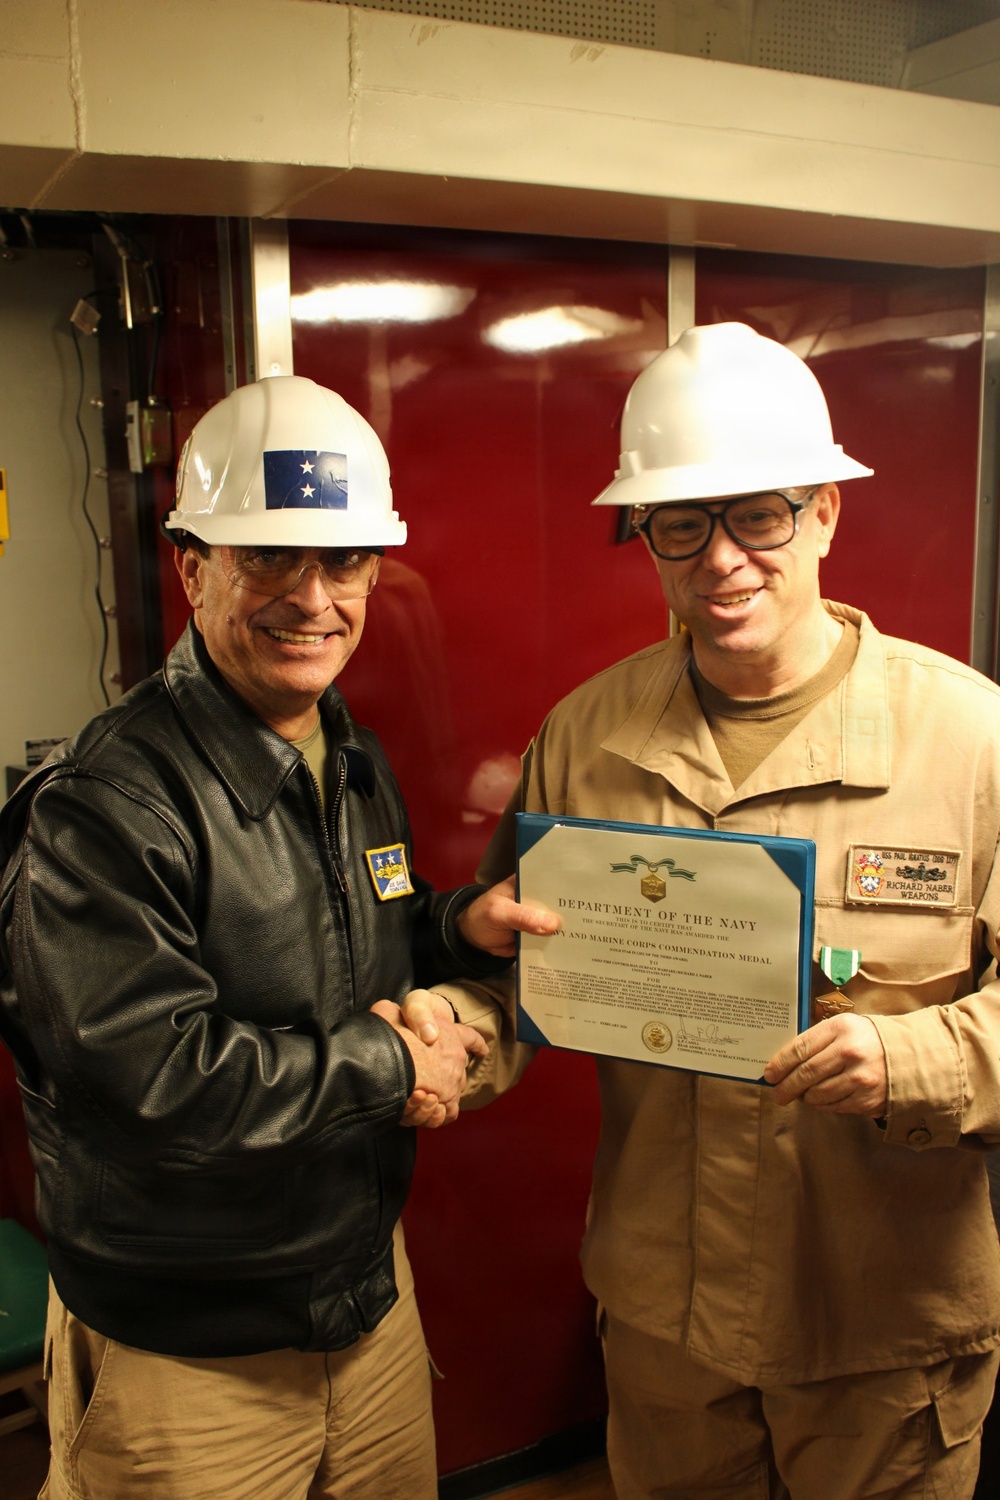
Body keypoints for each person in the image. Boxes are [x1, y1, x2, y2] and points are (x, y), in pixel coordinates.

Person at [406, 322, 1000, 1499]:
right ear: (646, 536)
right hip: (668, 1328)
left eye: (760, 514)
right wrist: (450, 1035)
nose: (722, 559)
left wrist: (919, 1056)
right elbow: (520, 972)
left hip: (879, 1333)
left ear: (825, 511)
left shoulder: (972, 740)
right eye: (682, 522)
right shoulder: (584, 739)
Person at [0, 374, 552, 1500]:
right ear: (194, 568)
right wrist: (394, 1061)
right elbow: (152, 1082)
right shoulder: (105, 806)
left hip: (361, 1303)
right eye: (268, 556)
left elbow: (360, 926)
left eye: (344, 561)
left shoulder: (345, 754)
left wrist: (454, 927)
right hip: (190, 1353)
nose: (314, 597)